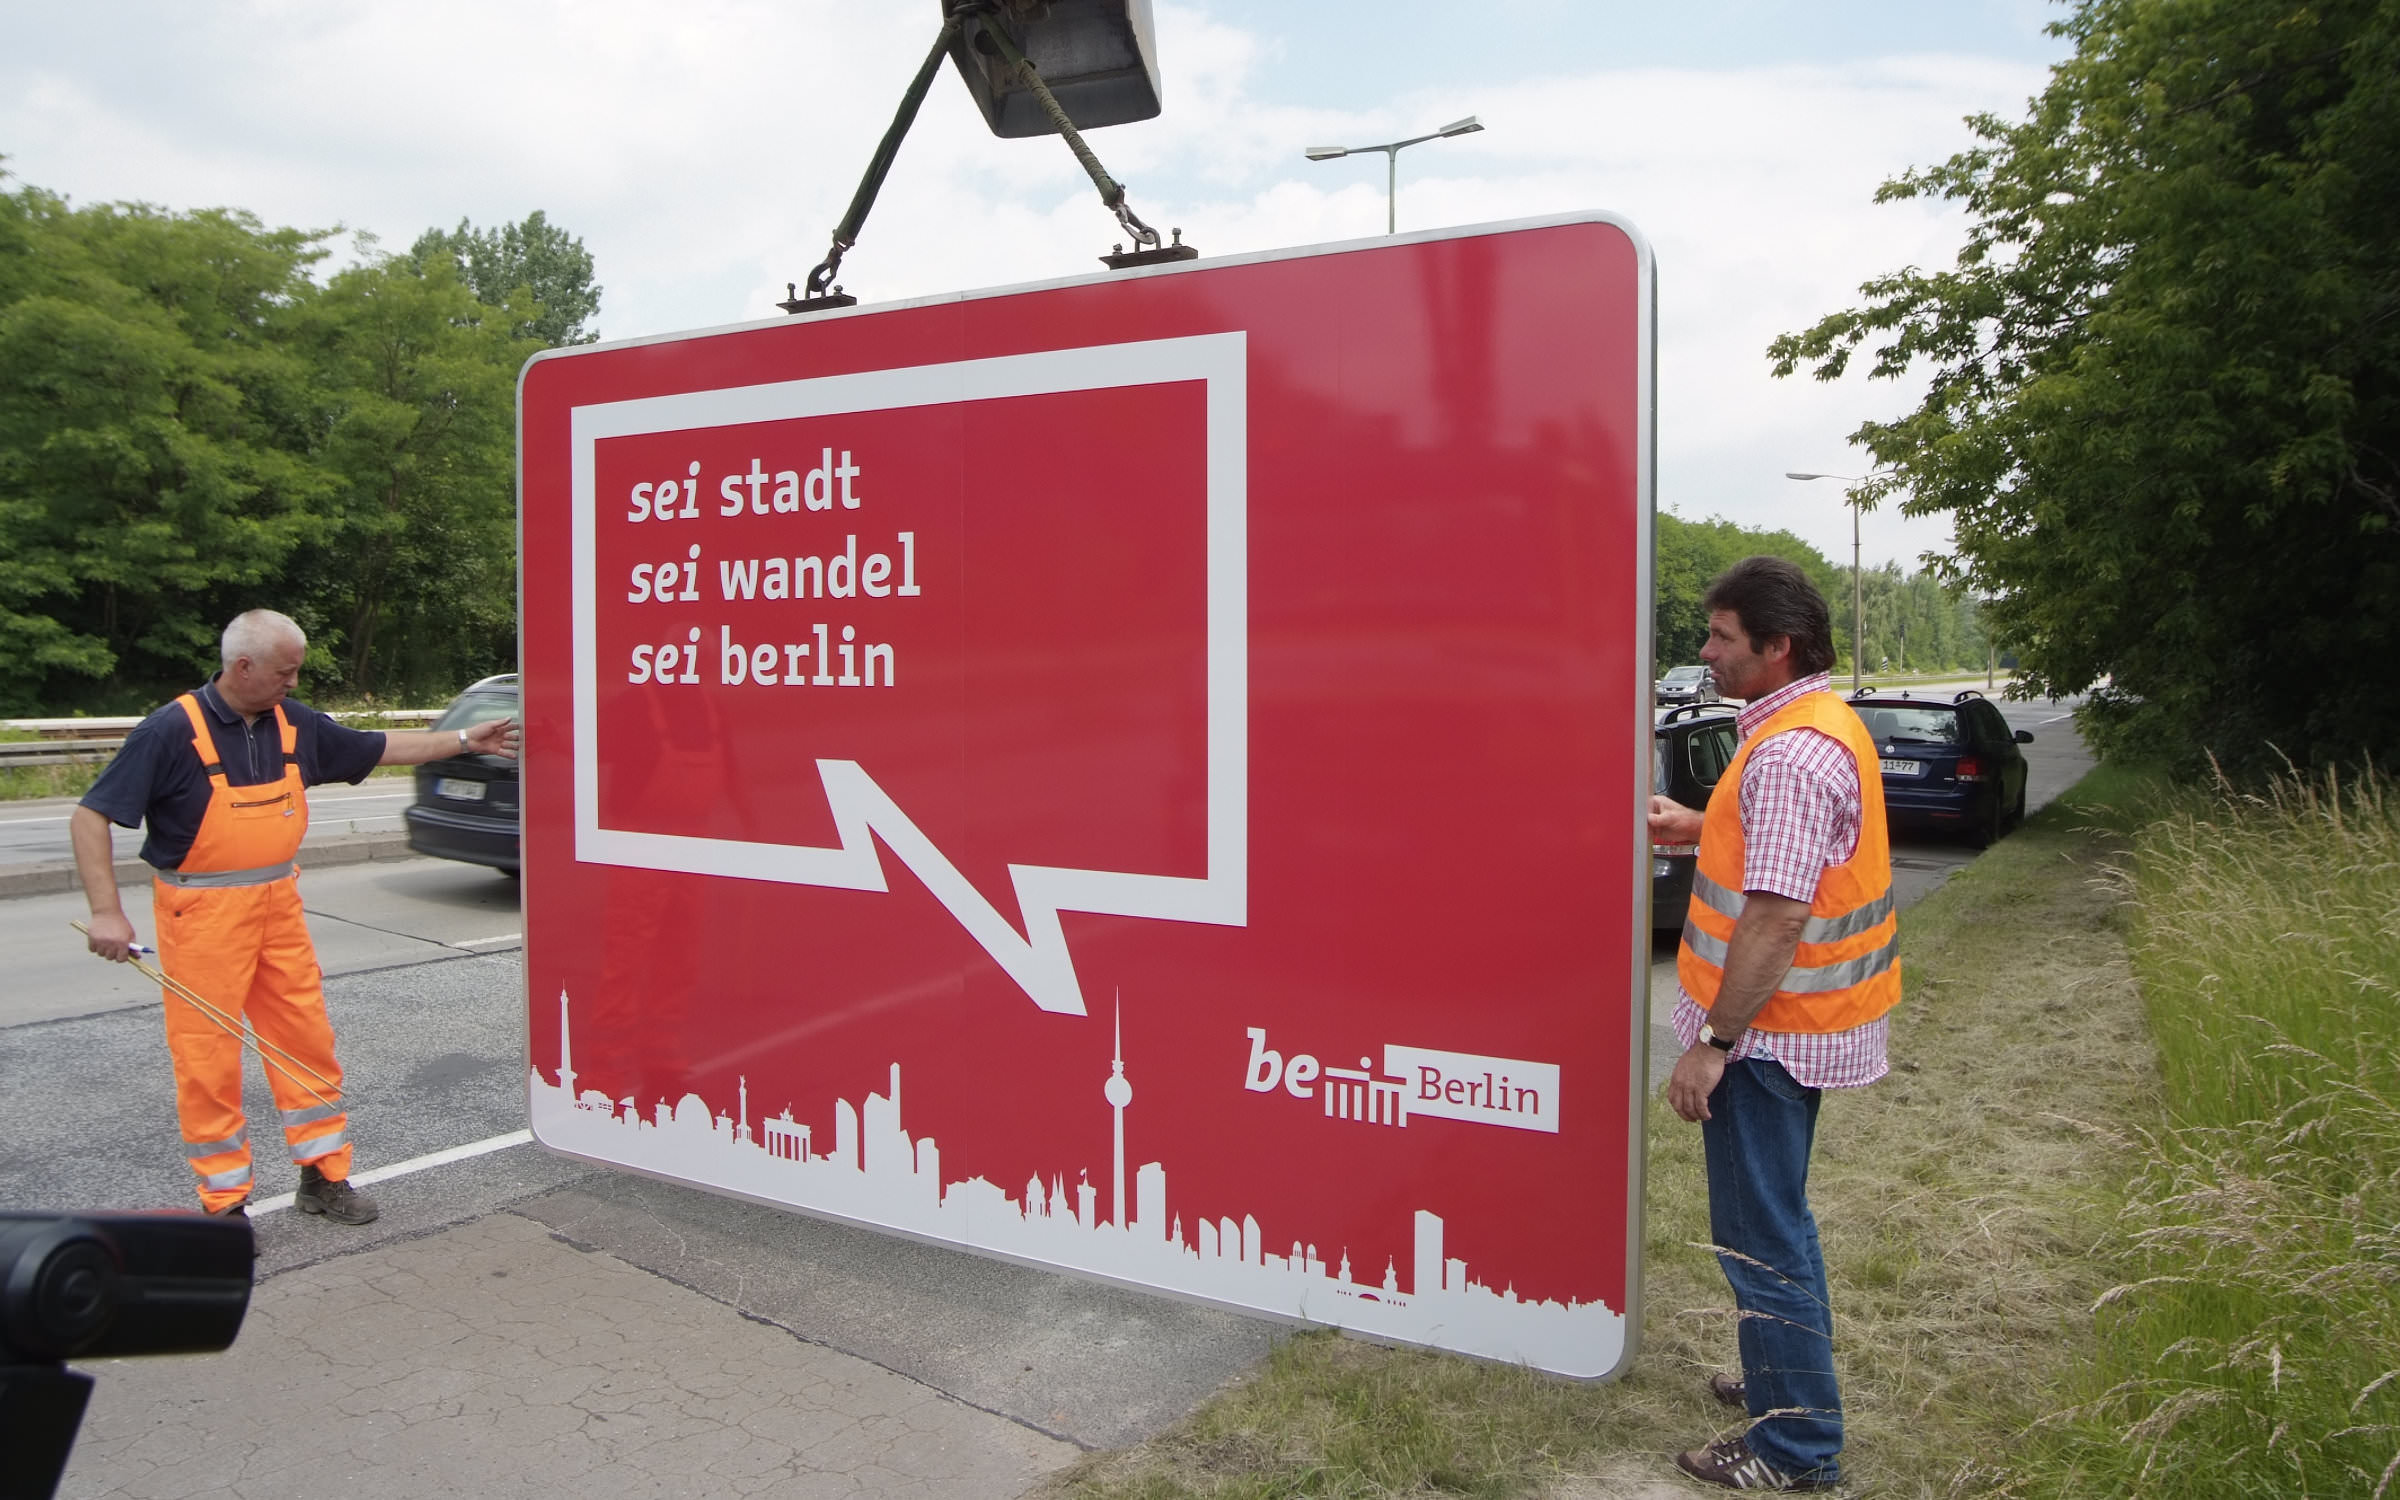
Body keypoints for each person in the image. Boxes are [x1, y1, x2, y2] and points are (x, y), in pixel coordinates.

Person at [71, 610, 521, 1223]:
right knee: (207, 1059)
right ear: (244, 666)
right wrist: (106, 913)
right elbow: (90, 816)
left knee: (305, 1044)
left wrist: (466, 741)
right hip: (200, 915)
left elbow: (379, 747)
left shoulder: (293, 724)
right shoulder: (170, 731)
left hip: (277, 907)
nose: (294, 683)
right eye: (286, 672)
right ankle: (224, 1206)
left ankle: (323, 1176)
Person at [1646, 557, 1900, 1492]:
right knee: (1776, 1220)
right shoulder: (1812, 726)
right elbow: (1777, 841)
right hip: (1802, 1027)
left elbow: (1778, 914)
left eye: (1721, 636)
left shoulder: (1791, 752)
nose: (1705, 652)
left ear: (1776, 645)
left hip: (1767, 1037)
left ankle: (1795, 1444)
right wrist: (1698, 822)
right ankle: (1776, 1378)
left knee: (1760, 1235)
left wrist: (1713, 1047)